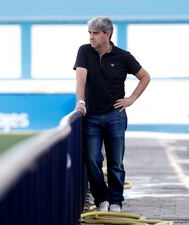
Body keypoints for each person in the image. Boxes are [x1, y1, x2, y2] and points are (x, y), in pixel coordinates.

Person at [73, 16, 150, 212]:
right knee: (92, 159)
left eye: (96, 33)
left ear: (108, 34)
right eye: (90, 33)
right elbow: (80, 79)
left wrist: (131, 99)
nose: (91, 37)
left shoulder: (123, 56)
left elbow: (145, 77)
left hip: (115, 116)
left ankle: (116, 201)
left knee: (115, 162)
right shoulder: (84, 51)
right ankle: (102, 200)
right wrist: (80, 102)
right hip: (90, 117)